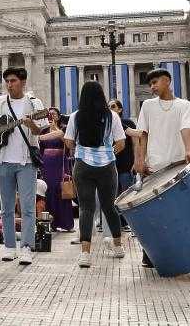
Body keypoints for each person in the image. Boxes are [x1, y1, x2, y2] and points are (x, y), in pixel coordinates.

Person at [0, 67, 47, 266]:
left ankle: (26, 247)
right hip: (3, 160)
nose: (9, 84)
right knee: (6, 208)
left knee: (27, 207)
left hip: (25, 162)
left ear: (23, 82)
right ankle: (9, 246)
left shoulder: (34, 103)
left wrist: (29, 124)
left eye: (13, 81)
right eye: (7, 81)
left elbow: (40, 129)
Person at [133, 68, 190, 268]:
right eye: (150, 83)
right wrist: (140, 160)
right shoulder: (148, 106)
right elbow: (142, 134)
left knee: (179, 211)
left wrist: (188, 150)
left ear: (167, 81)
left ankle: (179, 252)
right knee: (153, 213)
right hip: (154, 165)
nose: (152, 87)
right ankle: (149, 254)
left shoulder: (183, 105)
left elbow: (185, 127)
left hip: (177, 165)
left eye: (155, 82)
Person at [64, 81, 126, 268]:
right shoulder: (112, 116)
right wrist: (108, 153)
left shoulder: (76, 116)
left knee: (86, 208)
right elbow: (121, 142)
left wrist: (80, 151)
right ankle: (117, 246)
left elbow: (68, 141)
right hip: (107, 166)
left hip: (83, 166)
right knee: (109, 207)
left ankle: (85, 254)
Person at [38, 107, 74, 232]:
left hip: (60, 162)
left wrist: (56, 129)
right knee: (49, 190)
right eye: (49, 114)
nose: (51, 116)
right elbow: (40, 148)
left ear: (58, 116)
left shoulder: (64, 128)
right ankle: (52, 223)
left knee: (62, 189)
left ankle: (66, 223)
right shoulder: (43, 131)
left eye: (54, 114)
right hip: (47, 163)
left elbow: (68, 144)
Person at [110, 99, 135, 231]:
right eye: (108, 107)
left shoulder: (127, 123)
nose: (110, 108)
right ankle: (117, 223)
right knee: (113, 196)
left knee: (126, 193)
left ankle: (128, 222)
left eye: (113, 106)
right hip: (111, 165)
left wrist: (136, 160)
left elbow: (136, 141)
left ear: (119, 109)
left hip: (126, 164)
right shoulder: (107, 124)